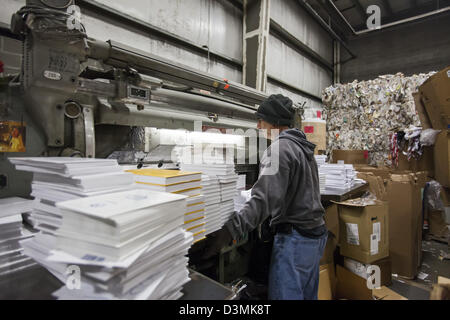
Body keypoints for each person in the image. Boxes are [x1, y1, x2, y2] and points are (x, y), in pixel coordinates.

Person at [204, 94, 327, 300]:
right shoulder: (302, 147)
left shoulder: (279, 149)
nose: (258, 124)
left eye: (262, 119)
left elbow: (263, 200)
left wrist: (231, 229)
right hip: (314, 237)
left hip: (295, 240)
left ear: (275, 121)